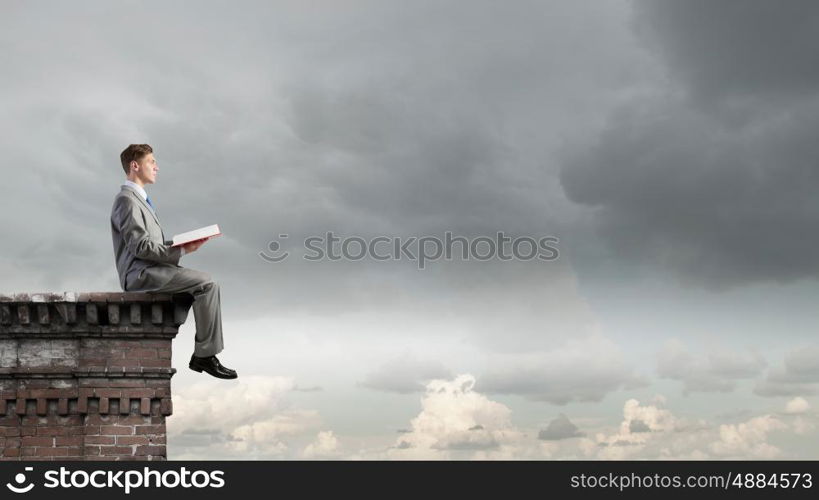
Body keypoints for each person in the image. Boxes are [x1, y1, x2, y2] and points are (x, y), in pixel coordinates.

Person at [110, 144, 237, 379]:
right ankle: (204, 356)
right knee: (206, 284)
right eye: (151, 162)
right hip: (139, 274)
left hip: (153, 268)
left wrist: (182, 245)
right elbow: (140, 247)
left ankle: (195, 345)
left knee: (200, 284)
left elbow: (147, 244)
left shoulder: (140, 200)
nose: (157, 167)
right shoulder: (126, 201)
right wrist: (180, 250)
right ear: (134, 166)